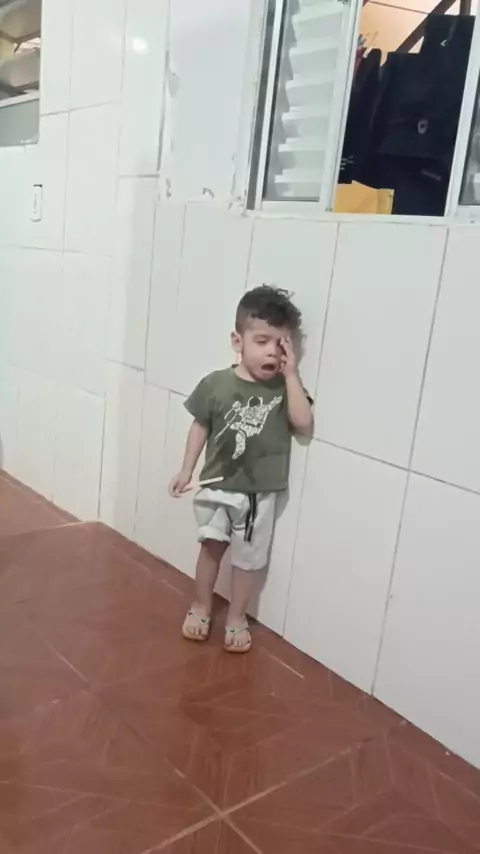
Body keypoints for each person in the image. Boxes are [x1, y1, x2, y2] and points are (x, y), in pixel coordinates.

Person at [168, 285, 313, 653]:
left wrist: (291, 375)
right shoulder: (216, 384)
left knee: (247, 562)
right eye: (262, 341)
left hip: (257, 495)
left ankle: (236, 617)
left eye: (280, 344)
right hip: (217, 485)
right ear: (238, 341)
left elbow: (303, 423)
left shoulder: (283, 389)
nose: (271, 351)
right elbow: (200, 425)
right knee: (210, 548)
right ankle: (201, 606)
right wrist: (186, 469)